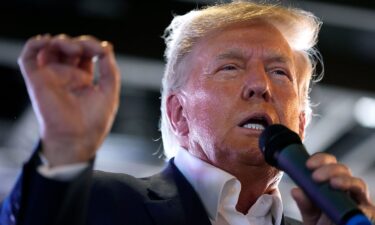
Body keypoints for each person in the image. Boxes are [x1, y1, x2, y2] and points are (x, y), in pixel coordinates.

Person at [0, 1, 374, 225]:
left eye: (279, 73)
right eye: (230, 67)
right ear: (179, 115)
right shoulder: (99, 203)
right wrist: (64, 147)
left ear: (301, 124)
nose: (260, 85)